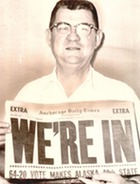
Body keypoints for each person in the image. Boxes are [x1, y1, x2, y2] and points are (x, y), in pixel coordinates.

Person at [0, 0, 140, 183]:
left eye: (84, 27)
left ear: (97, 38)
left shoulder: (124, 96)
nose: (73, 36)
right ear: (49, 37)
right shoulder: (27, 96)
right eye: (63, 27)